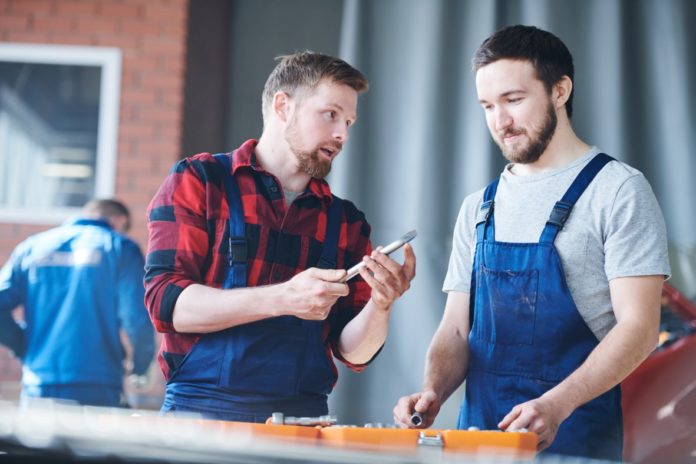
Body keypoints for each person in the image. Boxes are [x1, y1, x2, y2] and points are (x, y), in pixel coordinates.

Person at [393, 25, 670, 460]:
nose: (500, 121)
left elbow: (639, 329)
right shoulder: (479, 207)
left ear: (560, 91)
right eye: (487, 105)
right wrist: (432, 391)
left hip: (577, 443)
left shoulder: (618, 190)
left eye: (513, 100)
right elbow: (455, 329)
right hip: (477, 445)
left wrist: (556, 405)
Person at [144, 51, 416, 423]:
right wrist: (285, 298)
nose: (343, 134)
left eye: (349, 121)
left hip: (303, 424)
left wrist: (381, 306)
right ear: (283, 106)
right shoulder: (201, 181)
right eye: (331, 114)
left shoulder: (347, 221)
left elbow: (353, 352)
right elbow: (166, 304)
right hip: (199, 417)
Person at [0, 199, 155, 407]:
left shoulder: (31, 247)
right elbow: (136, 320)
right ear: (120, 220)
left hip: (39, 382)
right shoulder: (120, 247)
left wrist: (26, 347)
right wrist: (141, 367)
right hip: (98, 382)